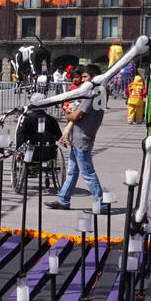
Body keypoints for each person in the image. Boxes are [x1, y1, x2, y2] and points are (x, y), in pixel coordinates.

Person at [48, 65, 104, 210]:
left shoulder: (92, 93)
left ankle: (101, 204)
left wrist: (68, 114)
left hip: (82, 136)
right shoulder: (101, 91)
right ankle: (63, 200)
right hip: (79, 135)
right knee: (72, 171)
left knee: (87, 172)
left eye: (85, 77)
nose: (82, 80)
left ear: (94, 77)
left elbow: (76, 114)